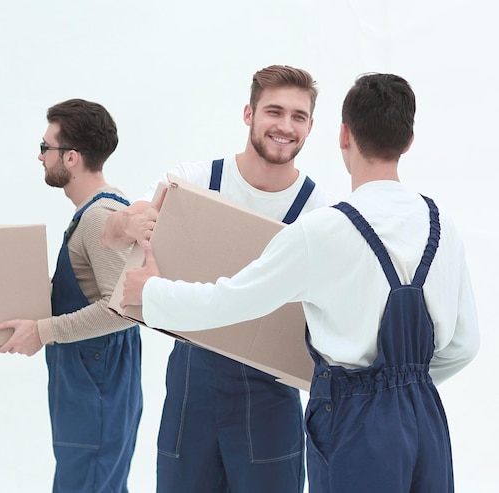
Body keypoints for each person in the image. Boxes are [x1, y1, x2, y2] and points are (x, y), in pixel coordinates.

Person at [121, 73, 480, 493]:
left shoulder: (322, 228)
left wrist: (150, 293)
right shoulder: (443, 225)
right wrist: (403, 391)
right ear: (409, 140)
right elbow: (465, 345)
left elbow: (232, 302)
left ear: (343, 135)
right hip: (424, 417)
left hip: (351, 417)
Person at [101, 65, 333, 493]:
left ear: (311, 126)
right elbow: (110, 233)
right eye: (274, 112)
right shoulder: (194, 182)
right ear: (249, 114)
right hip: (194, 386)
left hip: (270, 394)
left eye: (298, 116)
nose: (285, 126)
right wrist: (129, 225)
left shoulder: (319, 212)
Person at [0, 98, 142, 493]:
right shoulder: (94, 212)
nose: (40, 156)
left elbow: (123, 310)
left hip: (94, 388)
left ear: (72, 157)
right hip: (88, 384)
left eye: (46, 148)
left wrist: (42, 331)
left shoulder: (99, 217)